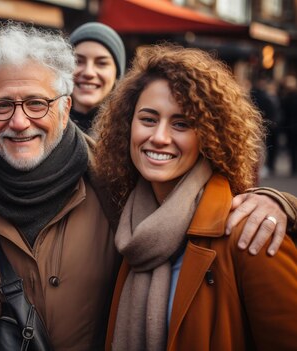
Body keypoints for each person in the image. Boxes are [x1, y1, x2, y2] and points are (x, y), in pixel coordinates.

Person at [0, 23, 297, 351]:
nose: (19, 121)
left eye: (36, 103)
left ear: (66, 106)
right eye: (2, 105)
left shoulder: (112, 182)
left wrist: (279, 202)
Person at [93, 44, 297, 350]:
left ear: (210, 135)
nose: (159, 137)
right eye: (148, 119)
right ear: (127, 126)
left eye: (181, 124)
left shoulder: (250, 232)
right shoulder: (128, 226)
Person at [68, 22, 125, 134]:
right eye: (78, 61)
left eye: (101, 63)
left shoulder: (127, 133)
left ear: (117, 75)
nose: (89, 72)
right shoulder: (46, 124)